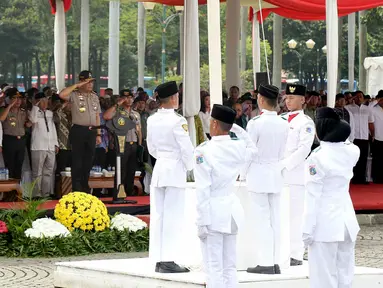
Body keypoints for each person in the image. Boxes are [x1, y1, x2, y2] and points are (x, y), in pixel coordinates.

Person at [194, 104, 257, 288]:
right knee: (229, 265)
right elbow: (253, 149)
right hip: (231, 210)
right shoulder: (237, 147)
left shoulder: (203, 151)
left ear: (213, 124)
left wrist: (201, 220)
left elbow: (203, 190)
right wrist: (235, 127)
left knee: (213, 266)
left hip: (213, 212)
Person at [303, 107, 360, 288]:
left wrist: (307, 230)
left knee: (323, 278)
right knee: (345, 275)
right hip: (346, 221)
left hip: (325, 223)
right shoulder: (352, 151)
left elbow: (313, 197)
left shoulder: (317, 158)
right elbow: (348, 142)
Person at [147, 81, 194, 273]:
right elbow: (187, 149)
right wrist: (191, 168)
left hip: (160, 169)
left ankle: (158, 258)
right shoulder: (178, 121)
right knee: (173, 216)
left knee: (158, 215)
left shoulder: (152, 119)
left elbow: (152, 148)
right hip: (174, 170)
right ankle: (168, 259)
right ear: (174, 98)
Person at [245, 85, 289, 274]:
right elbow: (283, 151)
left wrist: (242, 172)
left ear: (261, 100)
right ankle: (275, 260)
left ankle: (265, 262)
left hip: (259, 174)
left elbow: (249, 152)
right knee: (275, 219)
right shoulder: (284, 123)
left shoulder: (255, 123)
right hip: (275, 172)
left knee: (262, 219)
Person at [280, 84, 315, 266]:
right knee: (281, 215)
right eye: (286, 98)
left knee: (295, 215)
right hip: (279, 175)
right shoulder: (280, 119)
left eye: (292, 98)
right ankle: (282, 250)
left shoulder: (306, 122)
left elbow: (304, 149)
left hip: (294, 175)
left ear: (302, 100)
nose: (288, 101)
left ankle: (296, 254)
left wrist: (284, 165)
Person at [59, 71, 102, 193]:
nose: (90, 84)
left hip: (92, 131)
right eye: (87, 82)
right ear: (81, 82)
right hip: (78, 130)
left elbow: (97, 116)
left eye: (91, 82)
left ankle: (85, 185)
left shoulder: (94, 96)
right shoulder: (74, 95)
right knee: (77, 160)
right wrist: (76, 85)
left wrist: (98, 133)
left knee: (89, 160)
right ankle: (76, 187)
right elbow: (62, 94)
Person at [104, 90, 142, 196]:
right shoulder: (117, 112)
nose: (128, 100)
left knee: (131, 170)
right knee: (121, 170)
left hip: (133, 143)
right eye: (126, 98)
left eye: (130, 97)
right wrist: (118, 103)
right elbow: (106, 116)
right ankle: (118, 193)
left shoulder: (135, 114)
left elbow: (139, 131)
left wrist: (139, 145)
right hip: (121, 143)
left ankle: (129, 192)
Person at [29, 92, 58, 198]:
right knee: (37, 172)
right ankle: (36, 194)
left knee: (48, 171)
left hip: (50, 146)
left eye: (47, 101)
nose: (46, 103)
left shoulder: (50, 113)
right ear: (38, 101)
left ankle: (45, 194)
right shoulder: (33, 112)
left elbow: (53, 129)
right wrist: (36, 106)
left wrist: (56, 144)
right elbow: (33, 120)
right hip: (38, 146)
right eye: (43, 101)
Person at [0, 88, 31, 180]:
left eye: (19, 98)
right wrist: (9, 106)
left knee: (19, 166)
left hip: (21, 141)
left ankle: (17, 191)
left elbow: (26, 123)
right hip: (9, 140)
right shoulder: (4, 110)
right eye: (15, 98)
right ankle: (9, 191)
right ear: (9, 99)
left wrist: (29, 124)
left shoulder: (23, 111)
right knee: (10, 166)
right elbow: (1, 119)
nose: (17, 101)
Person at [345, 91, 374, 184]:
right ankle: (353, 178)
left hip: (364, 137)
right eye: (356, 97)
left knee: (363, 158)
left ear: (363, 98)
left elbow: (370, 123)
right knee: (353, 158)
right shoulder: (348, 108)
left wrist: (372, 134)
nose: (358, 98)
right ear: (353, 98)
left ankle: (362, 178)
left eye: (360, 96)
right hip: (354, 137)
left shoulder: (368, 109)